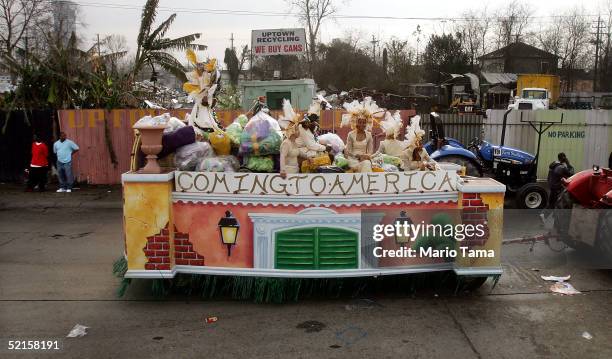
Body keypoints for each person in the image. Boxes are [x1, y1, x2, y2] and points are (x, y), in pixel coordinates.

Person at [277, 99, 302, 177]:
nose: (299, 132)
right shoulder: (286, 143)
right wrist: (283, 170)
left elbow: (300, 152)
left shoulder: (294, 142)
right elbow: (282, 157)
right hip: (287, 174)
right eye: (297, 129)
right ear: (292, 131)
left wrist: (309, 157)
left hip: (295, 172)